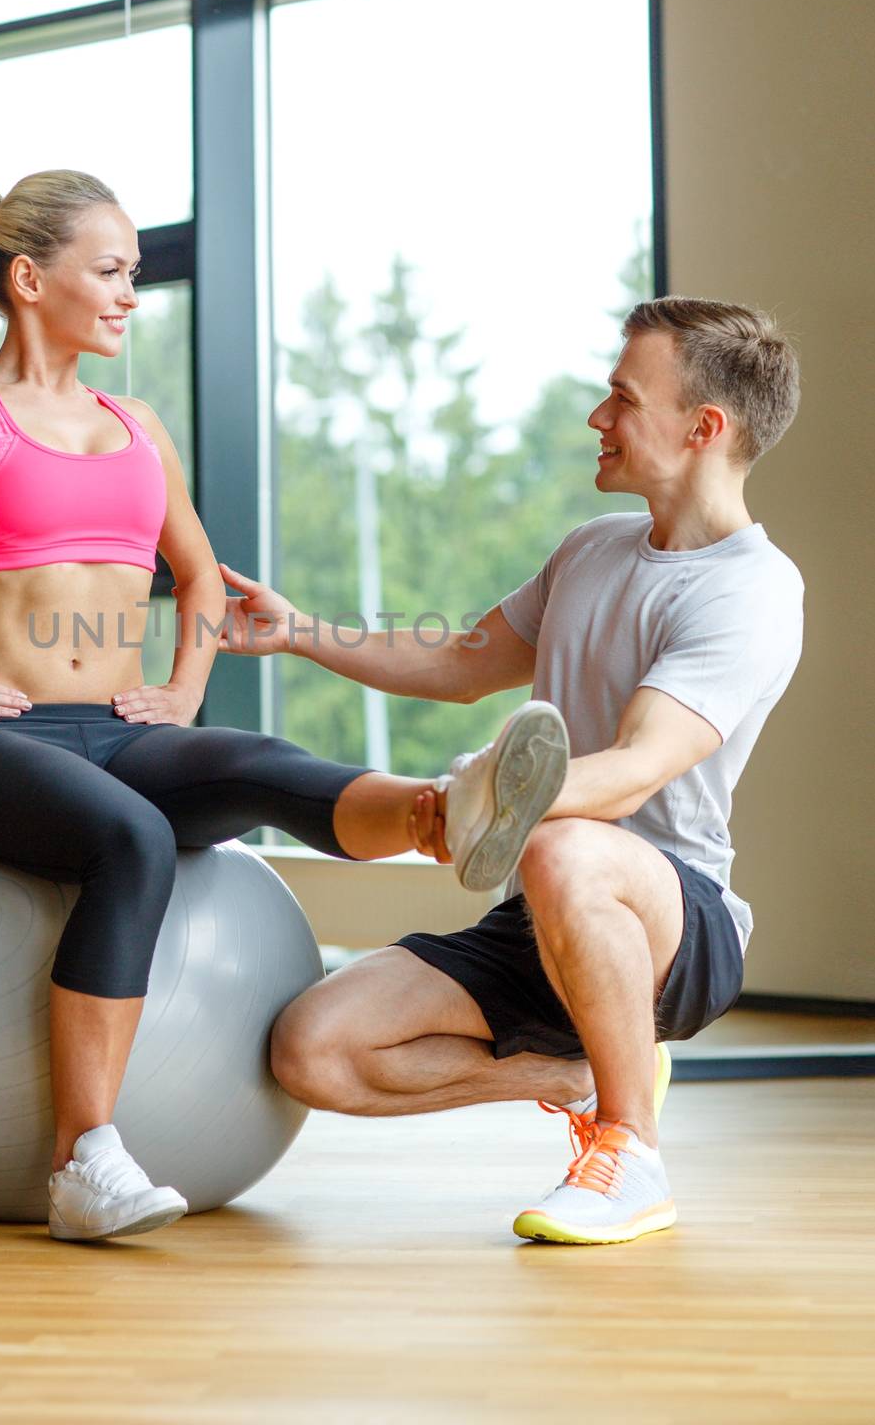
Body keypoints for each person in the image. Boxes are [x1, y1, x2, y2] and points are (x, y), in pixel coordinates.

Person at [0, 168, 510, 1244]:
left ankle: (444, 813)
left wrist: (181, 692)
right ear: (29, 277)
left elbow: (202, 577)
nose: (128, 295)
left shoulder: (136, 423)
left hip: (122, 728)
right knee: (133, 838)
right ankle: (85, 1162)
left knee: (251, 758)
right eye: (109, 271)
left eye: (132, 275)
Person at [218, 297, 804, 1246]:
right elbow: (457, 662)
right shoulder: (591, 549)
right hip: (544, 905)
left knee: (571, 842)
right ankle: (574, 1074)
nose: (596, 420)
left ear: (704, 427)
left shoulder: (751, 590)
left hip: (674, 921)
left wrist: (493, 803)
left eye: (621, 398)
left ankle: (630, 1152)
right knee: (312, 1051)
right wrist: (298, 633)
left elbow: (636, 770)